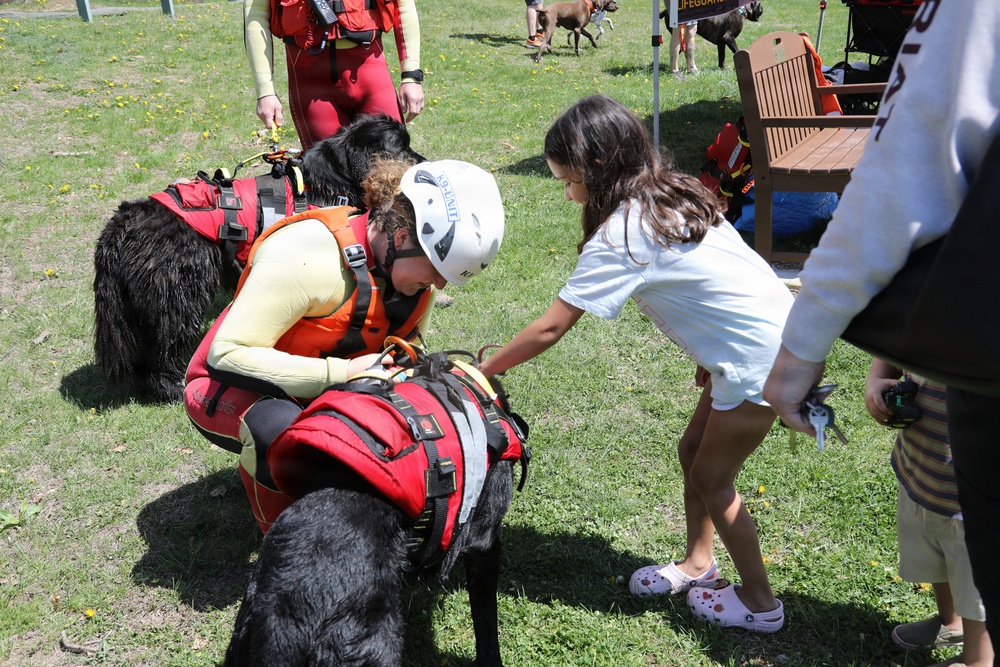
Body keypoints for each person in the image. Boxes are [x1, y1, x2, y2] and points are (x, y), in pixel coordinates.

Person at [477, 94, 793, 633]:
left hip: (756, 357)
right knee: (692, 450)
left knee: (715, 479)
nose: (566, 192)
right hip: (766, 336)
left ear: (597, 169)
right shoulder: (673, 191)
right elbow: (729, 274)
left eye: (569, 180)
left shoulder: (624, 234)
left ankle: (762, 604)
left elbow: (553, 326)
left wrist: (487, 369)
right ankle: (699, 563)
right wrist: (708, 352)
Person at [762, 1, 1000, 655]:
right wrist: (879, 368)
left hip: (979, 397)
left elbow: (911, 152)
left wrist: (804, 340)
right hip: (926, 452)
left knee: (972, 553)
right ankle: (952, 622)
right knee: (936, 537)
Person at [184, 158, 505, 533]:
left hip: (320, 384)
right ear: (401, 238)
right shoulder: (308, 254)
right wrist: (346, 374)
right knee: (278, 430)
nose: (441, 285)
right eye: (436, 271)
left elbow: (399, 354)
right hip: (226, 385)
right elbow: (226, 355)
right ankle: (284, 540)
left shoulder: (409, 273)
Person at [865, 361, 993, 667]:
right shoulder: (930, 314)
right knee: (936, 556)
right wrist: (878, 380)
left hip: (979, 500)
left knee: (978, 587)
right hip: (921, 469)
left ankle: (978, 660)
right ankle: (952, 624)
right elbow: (894, 348)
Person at [244, 0, 425, 150]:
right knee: (331, 182)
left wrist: (411, 76)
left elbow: (404, 7)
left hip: (371, 75)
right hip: (312, 88)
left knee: (392, 173)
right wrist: (265, 92)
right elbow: (256, 16)